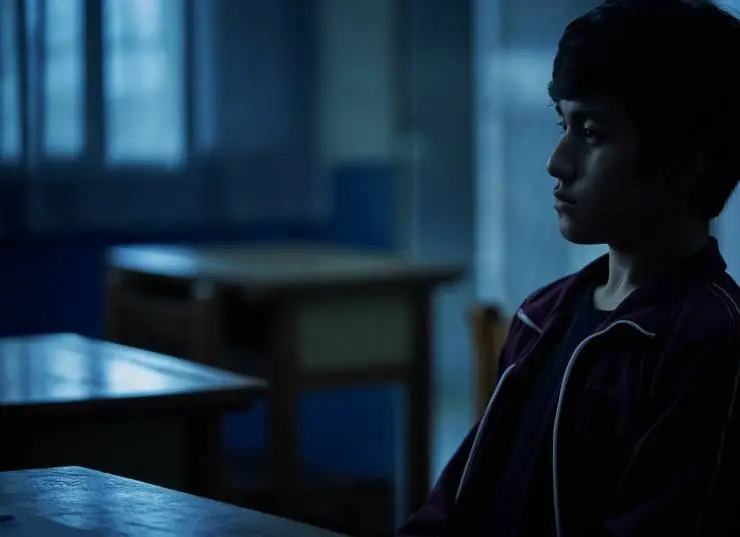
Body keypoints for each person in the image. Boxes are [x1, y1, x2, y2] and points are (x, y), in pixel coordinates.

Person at [398, 1, 740, 536]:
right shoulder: (542, 316)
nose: (557, 162)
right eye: (564, 124)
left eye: (591, 132)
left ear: (686, 160)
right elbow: (457, 503)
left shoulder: (708, 342)